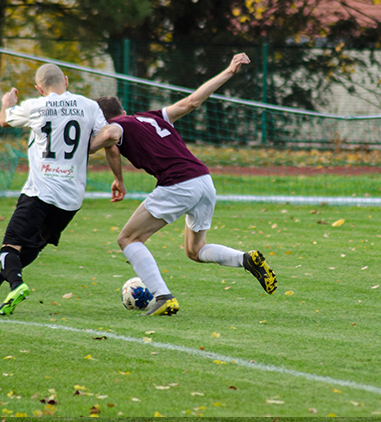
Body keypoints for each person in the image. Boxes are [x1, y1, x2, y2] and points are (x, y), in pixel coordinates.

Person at [93, 53, 277, 316]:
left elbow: (110, 135)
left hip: (178, 184)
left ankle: (163, 297)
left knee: (128, 238)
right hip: (203, 180)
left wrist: (82, 149)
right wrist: (228, 71)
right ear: (123, 110)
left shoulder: (114, 125)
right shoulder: (153, 117)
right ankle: (246, 259)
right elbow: (193, 101)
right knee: (195, 249)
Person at [0, 63, 122, 316]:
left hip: (40, 192)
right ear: (66, 80)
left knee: (10, 246)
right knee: (34, 246)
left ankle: (17, 285)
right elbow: (110, 141)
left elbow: (3, 121)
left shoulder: (35, 105)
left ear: (39, 88)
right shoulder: (90, 106)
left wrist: (7, 102)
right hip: (71, 198)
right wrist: (118, 179)